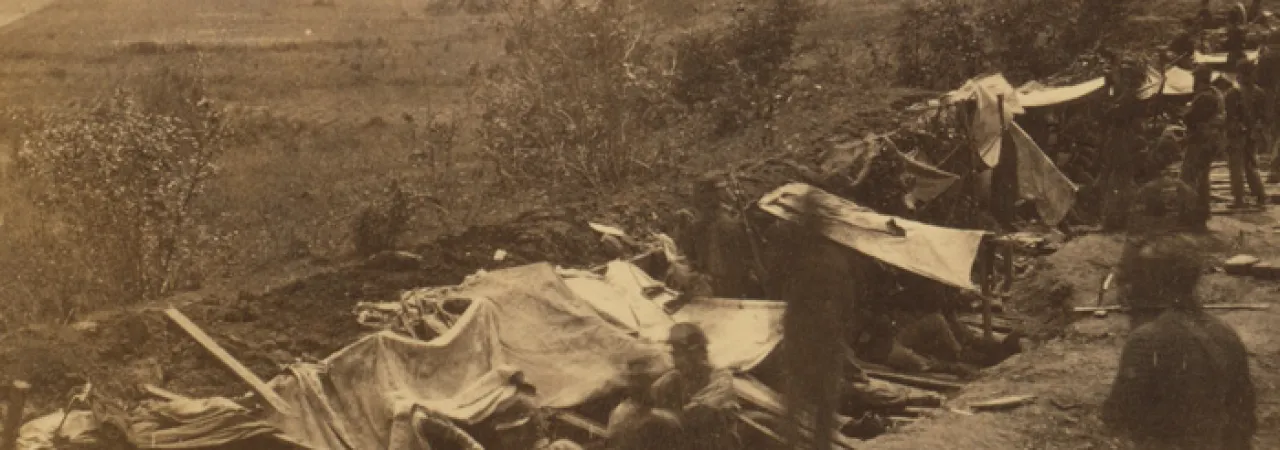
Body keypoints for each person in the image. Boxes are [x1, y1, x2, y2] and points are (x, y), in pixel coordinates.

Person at [1102, 234, 1256, 450]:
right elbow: (1245, 415)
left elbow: (1118, 415)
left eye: (1139, 279)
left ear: (1153, 284)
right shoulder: (1225, 333)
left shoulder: (1146, 340)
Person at [651, 323, 741, 450]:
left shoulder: (721, 380)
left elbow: (697, 412)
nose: (677, 362)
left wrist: (656, 416)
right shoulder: (674, 377)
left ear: (700, 354)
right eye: (675, 354)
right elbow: (652, 395)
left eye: (681, 354)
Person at [1180, 65, 1227, 230]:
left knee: (1191, 177)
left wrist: (1183, 112)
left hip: (1201, 140)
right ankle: (1200, 214)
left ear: (1199, 79)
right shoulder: (1216, 93)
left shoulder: (1204, 97)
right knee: (1202, 177)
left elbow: (1190, 117)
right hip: (1211, 140)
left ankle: (1195, 216)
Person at [607, 356, 683, 450]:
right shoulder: (622, 414)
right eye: (639, 380)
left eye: (643, 380)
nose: (641, 385)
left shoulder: (618, 412)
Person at [1224, 61, 1269, 208]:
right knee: (1251, 165)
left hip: (1237, 134)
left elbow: (1228, 116)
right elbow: (1264, 116)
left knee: (1236, 167)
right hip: (1252, 134)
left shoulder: (1232, 93)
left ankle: (1239, 199)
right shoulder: (1259, 92)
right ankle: (1260, 195)